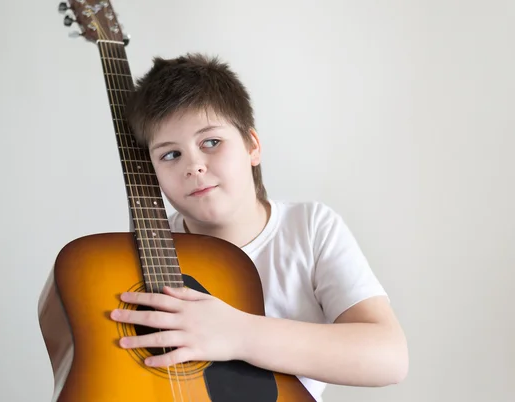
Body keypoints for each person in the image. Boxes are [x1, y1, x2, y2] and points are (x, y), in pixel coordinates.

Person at [109, 53, 409, 401]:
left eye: (211, 142)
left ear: (252, 146)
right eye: (171, 155)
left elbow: (390, 358)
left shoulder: (310, 228)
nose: (194, 166)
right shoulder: (136, 259)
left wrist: (238, 333)